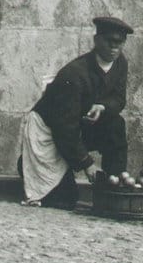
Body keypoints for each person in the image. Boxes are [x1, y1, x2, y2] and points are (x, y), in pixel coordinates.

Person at [19, 16, 132, 209]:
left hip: (80, 123)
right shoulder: (74, 73)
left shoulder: (120, 63)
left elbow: (119, 99)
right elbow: (64, 128)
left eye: (119, 43)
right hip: (49, 130)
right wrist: (86, 164)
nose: (114, 48)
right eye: (109, 41)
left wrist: (103, 107)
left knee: (115, 124)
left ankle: (114, 189)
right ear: (97, 41)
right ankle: (25, 165)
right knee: (64, 199)